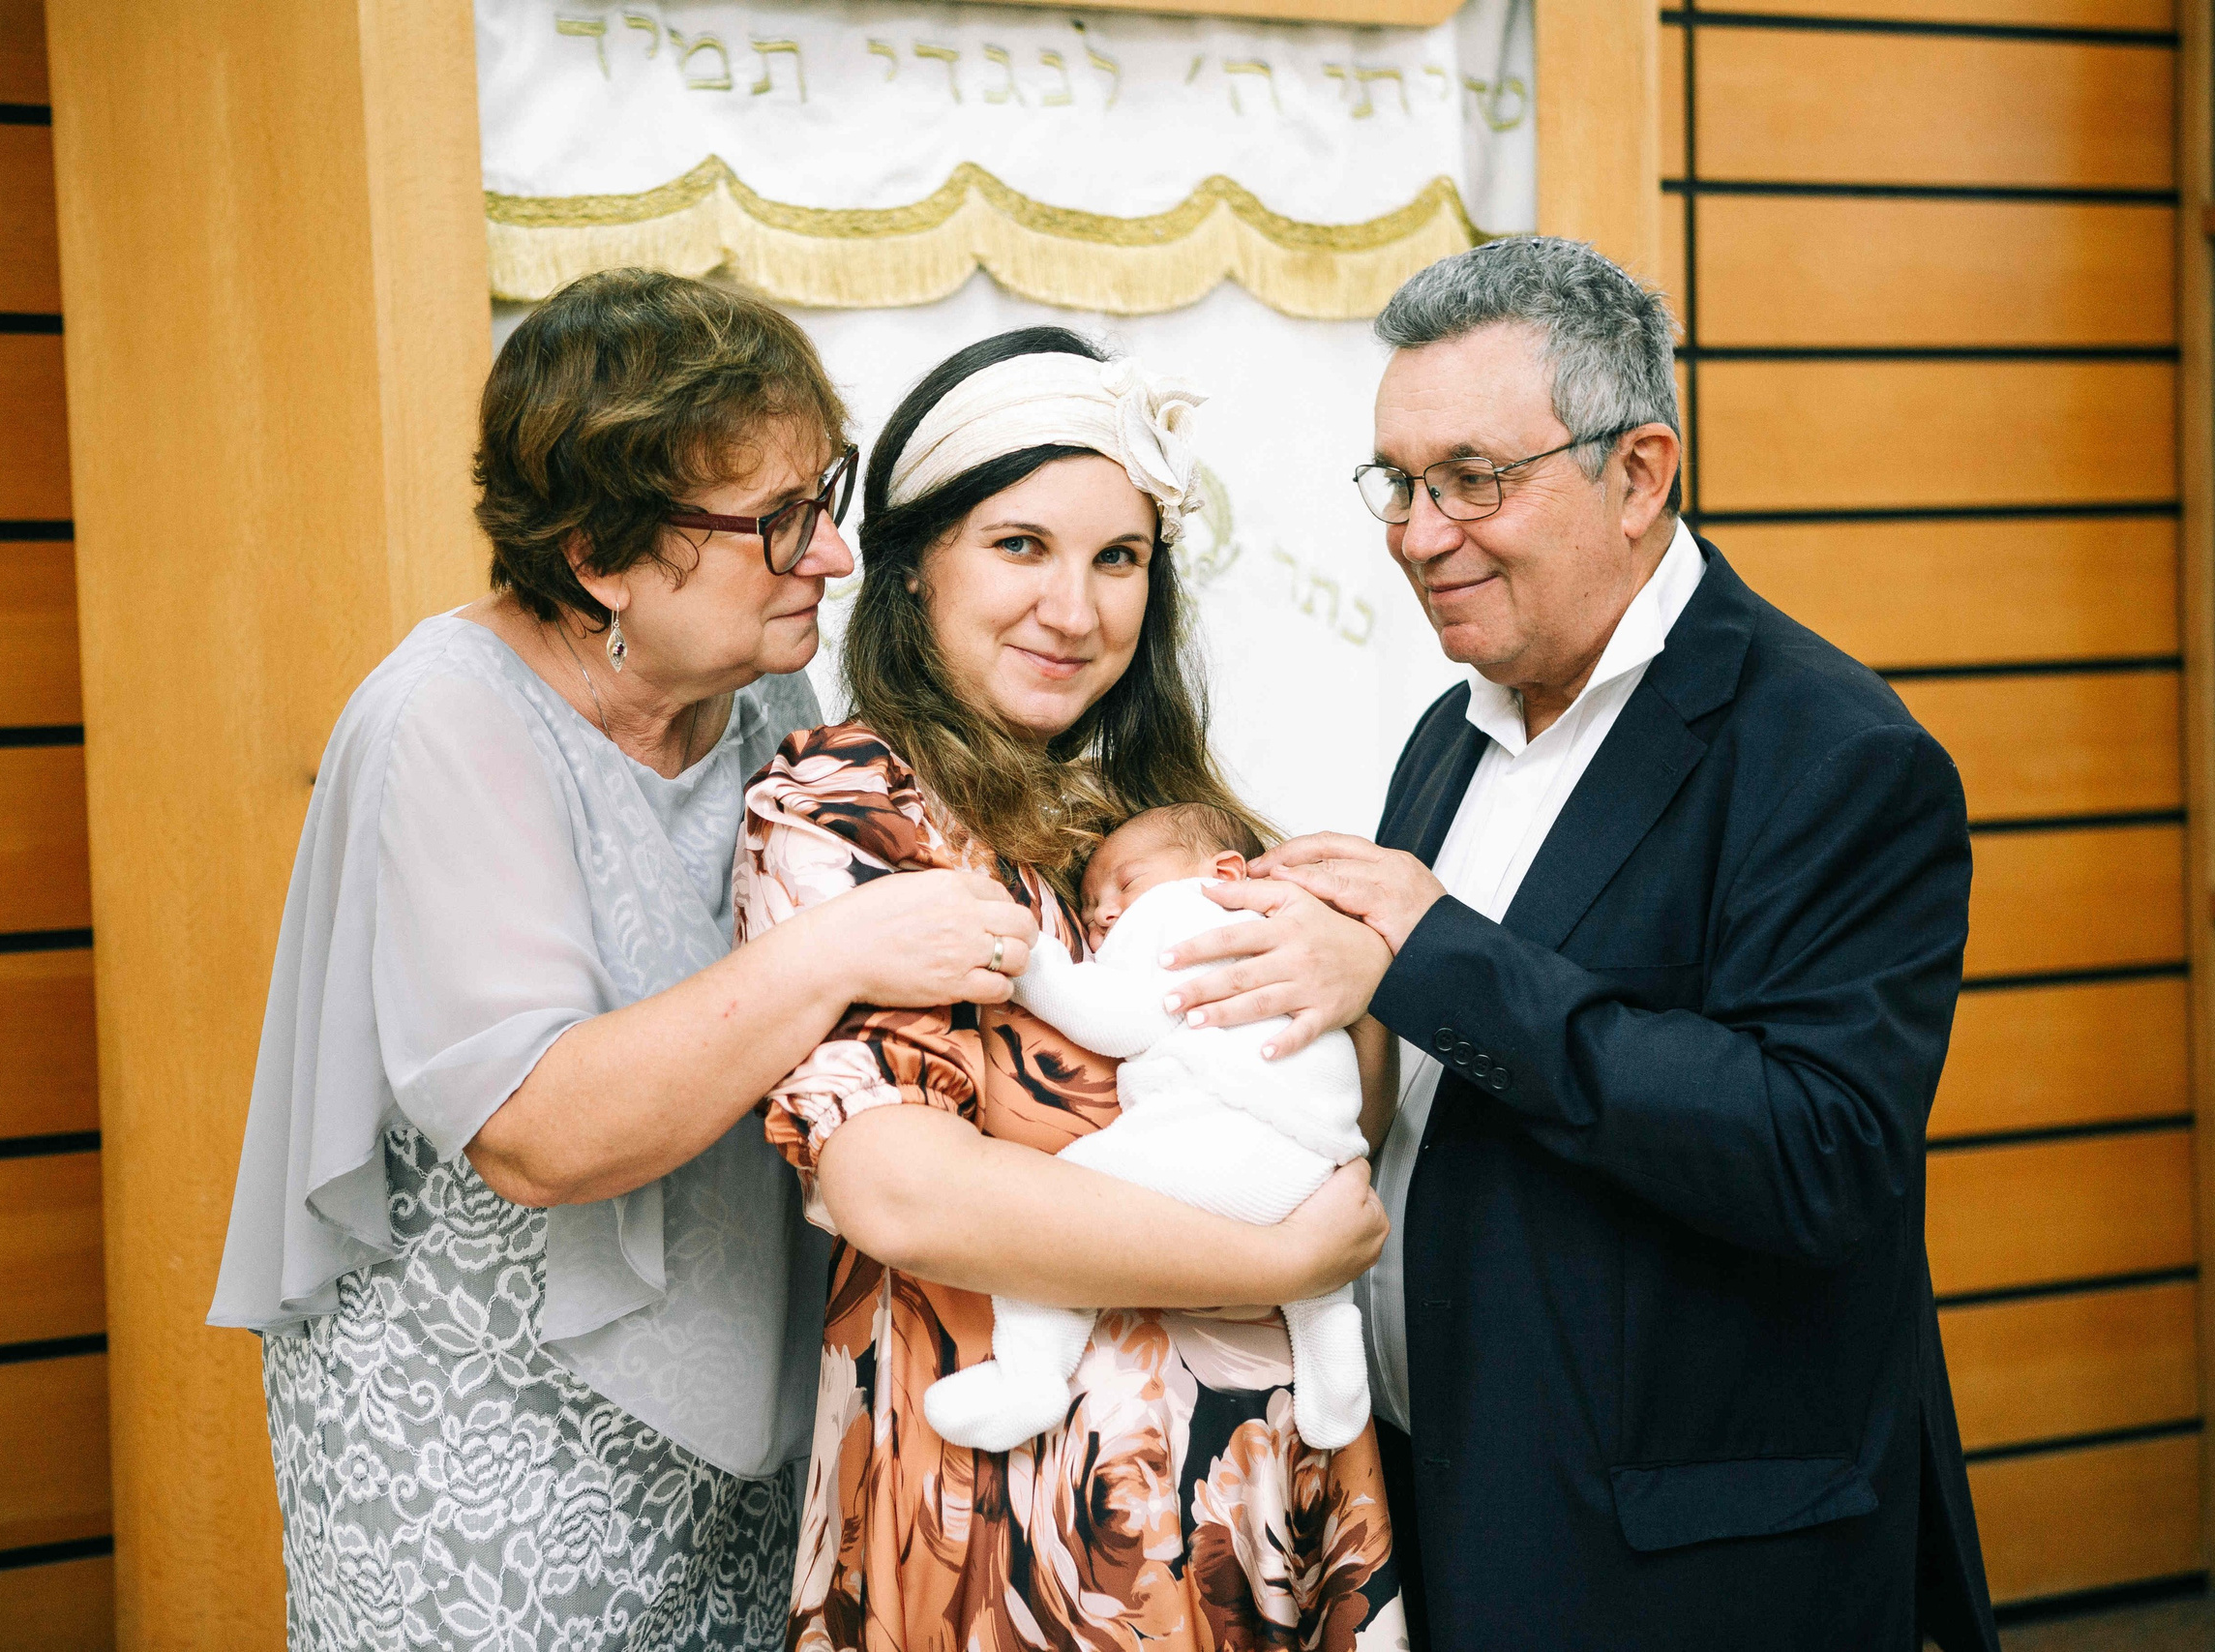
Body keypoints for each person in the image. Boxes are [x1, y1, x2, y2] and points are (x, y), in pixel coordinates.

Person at [1160, 236, 2003, 1649]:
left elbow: (1823, 1152)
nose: (1419, 533)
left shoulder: (1838, 753)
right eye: (1400, 483)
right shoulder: (1456, 727)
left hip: (1684, 1556)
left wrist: (1432, 956)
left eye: (1472, 479)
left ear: (1640, 471)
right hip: (1447, 1495)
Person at [208, 269, 1043, 1652]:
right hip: (487, 1452)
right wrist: (841, 948)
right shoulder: (444, 724)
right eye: (776, 523)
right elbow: (538, 1131)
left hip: (742, 1412)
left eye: (821, 498)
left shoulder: (762, 681)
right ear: (597, 552)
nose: (830, 557)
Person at [734, 328, 1406, 1652]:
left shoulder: (1150, 819)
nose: (1077, 608)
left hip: (1243, 1489)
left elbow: (1335, 1102)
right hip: (1009, 1512)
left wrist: (1363, 976)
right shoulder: (850, 805)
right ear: (915, 559)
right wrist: (1276, 1259)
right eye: (1021, 546)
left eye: (1120, 558)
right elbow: (900, 1185)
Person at [919, 802, 1379, 1455]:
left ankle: (1029, 1373)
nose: (1105, 911)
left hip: (1231, 1135)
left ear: (1223, 870)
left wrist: (1030, 963)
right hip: (1317, 1164)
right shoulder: (1289, 937)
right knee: (1315, 1286)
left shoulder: (1194, 915)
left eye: (1125, 884)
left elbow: (1120, 1017)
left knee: (1054, 1209)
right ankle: (1333, 1373)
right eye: (1090, 903)